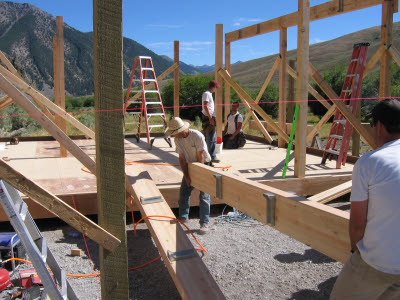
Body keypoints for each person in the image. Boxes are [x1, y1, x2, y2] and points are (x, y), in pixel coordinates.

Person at [330, 98, 400, 300]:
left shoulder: (370, 163)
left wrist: (356, 254)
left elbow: (357, 225)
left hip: (378, 263)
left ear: (379, 127)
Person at [165, 117, 212, 234]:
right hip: (190, 166)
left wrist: (199, 174)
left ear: (182, 131)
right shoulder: (178, 140)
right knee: (184, 193)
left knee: (204, 196)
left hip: (203, 166)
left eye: (175, 133)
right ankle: (183, 218)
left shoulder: (197, 136)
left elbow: (200, 155)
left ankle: (204, 223)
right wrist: (186, 175)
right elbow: (181, 158)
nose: (174, 136)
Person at [201, 80, 220, 163]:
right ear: (214, 87)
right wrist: (210, 118)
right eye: (216, 87)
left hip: (208, 117)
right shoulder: (207, 94)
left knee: (206, 136)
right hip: (208, 117)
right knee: (211, 137)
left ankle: (206, 155)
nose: (216, 89)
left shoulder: (208, 94)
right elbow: (205, 106)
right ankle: (212, 156)